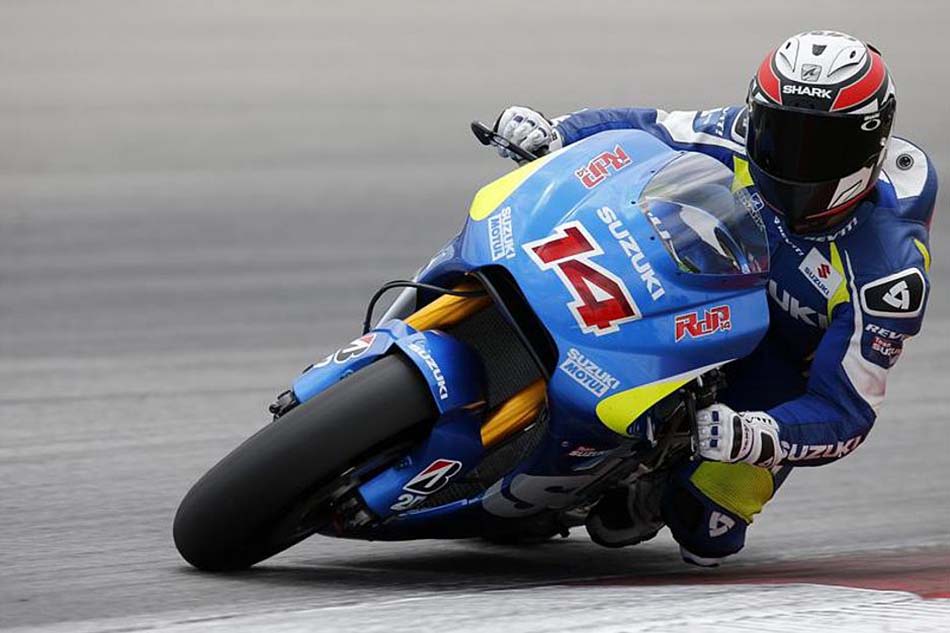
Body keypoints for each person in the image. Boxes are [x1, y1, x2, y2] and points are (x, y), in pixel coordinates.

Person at [491, 30, 935, 566]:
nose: (793, 160)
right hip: (690, 292)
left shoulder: (887, 271)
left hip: (776, 372)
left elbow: (848, 411)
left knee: (706, 531)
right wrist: (557, 132)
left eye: (821, 148)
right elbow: (645, 128)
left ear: (870, 147)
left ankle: (649, 490)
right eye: (779, 135)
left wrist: (761, 436)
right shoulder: (738, 135)